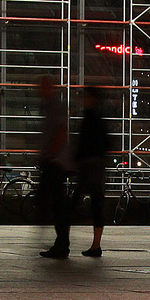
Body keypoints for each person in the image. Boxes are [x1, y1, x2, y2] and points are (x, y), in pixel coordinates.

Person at [53, 86, 113, 258]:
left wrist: (76, 161)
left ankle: (62, 243)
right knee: (95, 205)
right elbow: (107, 143)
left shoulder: (90, 117)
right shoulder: (99, 118)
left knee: (72, 205)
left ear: (91, 98)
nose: (82, 100)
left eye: (85, 97)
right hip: (96, 166)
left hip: (89, 166)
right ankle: (95, 245)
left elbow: (83, 143)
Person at [34, 76, 75, 258]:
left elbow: (60, 131)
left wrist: (50, 153)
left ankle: (61, 243)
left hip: (55, 162)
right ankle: (61, 242)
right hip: (54, 161)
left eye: (42, 87)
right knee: (56, 202)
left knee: (55, 202)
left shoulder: (55, 107)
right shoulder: (51, 107)